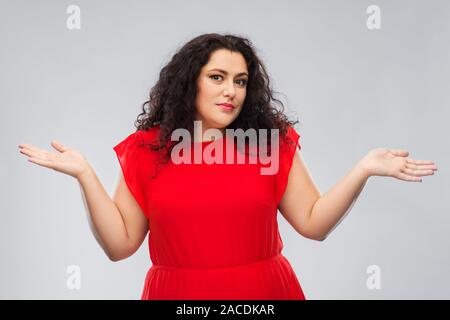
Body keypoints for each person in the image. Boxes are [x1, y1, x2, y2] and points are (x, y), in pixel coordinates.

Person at [17, 33, 438, 300]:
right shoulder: (146, 150)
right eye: (217, 77)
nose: (231, 91)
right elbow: (120, 246)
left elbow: (313, 223)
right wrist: (85, 175)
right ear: (190, 82)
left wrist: (362, 168)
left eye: (240, 81)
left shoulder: (270, 143)